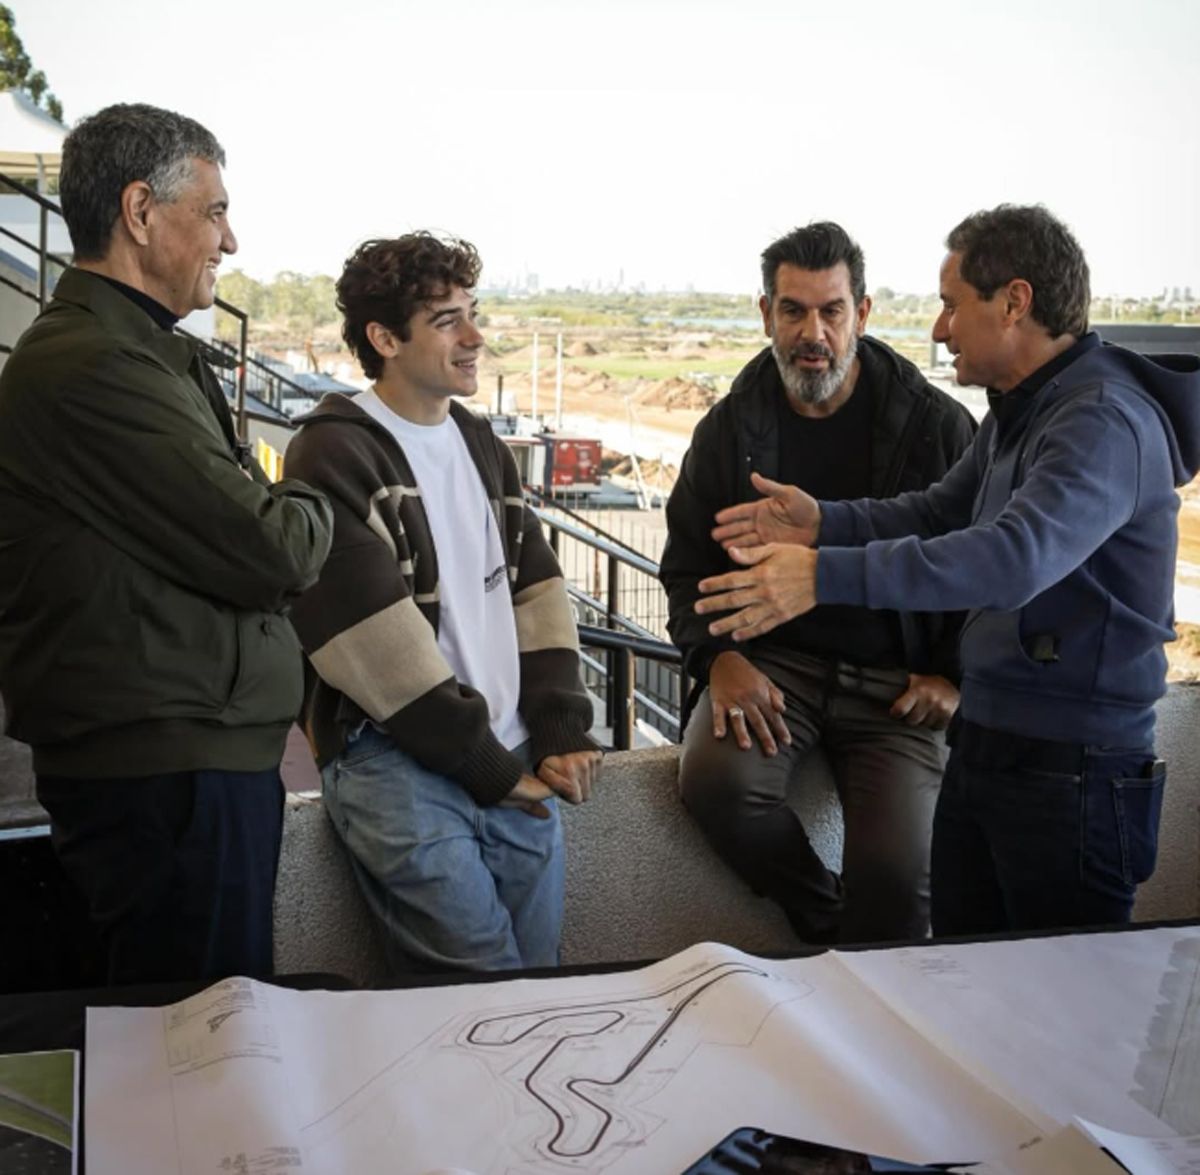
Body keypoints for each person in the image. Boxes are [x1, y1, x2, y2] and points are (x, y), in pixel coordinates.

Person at [697, 204, 1200, 935]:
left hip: (1071, 770)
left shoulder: (1101, 420)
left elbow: (1011, 557)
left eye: (950, 304)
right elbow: (937, 513)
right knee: (966, 984)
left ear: (1014, 302)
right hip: (989, 745)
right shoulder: (1018, 413)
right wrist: (824, 520)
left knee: (1055, 1013)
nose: (938, 329)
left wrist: (821, 574)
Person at [0, 104, 333, 984]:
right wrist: (308, 493)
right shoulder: (94, 365)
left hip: (192, 763)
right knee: (198, 1053)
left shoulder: (131, 354)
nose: (231, 240)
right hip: (169, 781)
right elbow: (273, 549)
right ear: (141, 213)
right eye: (214, 211)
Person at [283, 233, 601, 973]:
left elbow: (536, 587)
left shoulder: (479, 440)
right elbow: (375, 649)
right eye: (448, 321)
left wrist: (557, 726)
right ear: (385, 338)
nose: (475, 338)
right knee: (476, 992)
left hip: (511, 751)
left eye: (473, 313)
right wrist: (487, 765)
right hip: (395, 761)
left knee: (537, 981)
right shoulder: (333, 454)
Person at [659, 222, 975, 944]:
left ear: (862, 314)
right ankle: (827, 921)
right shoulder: (727, 432)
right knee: (715, 782)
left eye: (831, 311)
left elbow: (980, 566)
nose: (814, 332)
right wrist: (719, 659)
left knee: (899, 875)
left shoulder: (937, 430)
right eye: (794, 310)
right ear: (765, 313)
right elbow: (683, 570)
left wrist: (955, 679)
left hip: (895, 686)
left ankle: (874, 981)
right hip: (777, 672)